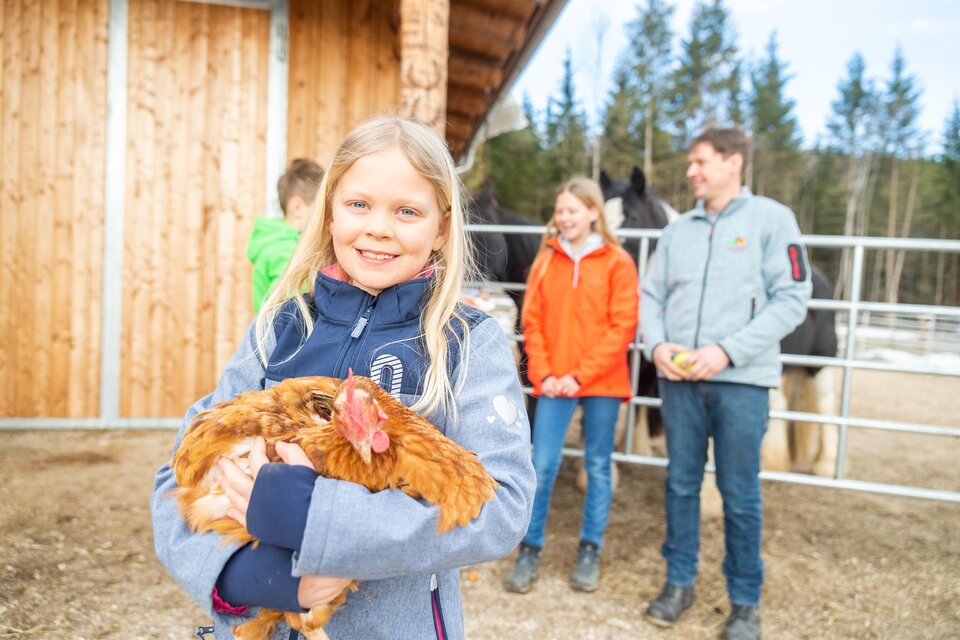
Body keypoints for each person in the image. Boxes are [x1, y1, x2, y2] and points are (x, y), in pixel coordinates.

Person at [151, 116, 536, 640]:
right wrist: (253, 578)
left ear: (442, 228)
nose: (379, 227)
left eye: (407, 211)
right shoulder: (279, 327)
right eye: (359, 204)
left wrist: (321, 518)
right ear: (329, 213)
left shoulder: (467, 342)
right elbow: (182, 473)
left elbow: (503, 504)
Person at [640, 127, 811, 640]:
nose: (691, 171)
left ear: (734, 162)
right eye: (691, 163)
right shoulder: (678, 231)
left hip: (743, 383)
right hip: (680, 382)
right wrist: (658, 346)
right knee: (680, 483)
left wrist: (727, 351)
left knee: (739, 494)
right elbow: (649, 297)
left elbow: (792, 300)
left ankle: (744, 601)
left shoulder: (773, 221)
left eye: (700, 162)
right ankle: (678, 583)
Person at [503, 177, 639, 594]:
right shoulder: (546, 261)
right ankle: (530, 547)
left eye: (572, 211)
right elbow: (534, 321)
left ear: (593, 212)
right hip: (553, 382)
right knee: (541, 465)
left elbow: (622, 327)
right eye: (560, 211)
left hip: (600, 382)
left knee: (597, 466)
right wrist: (544, 373)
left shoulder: (618, 262)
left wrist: (579, 375)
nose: (564, 219)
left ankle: (590, 548)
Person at [247, 158, 324, 312]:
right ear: (297, 207)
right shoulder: (286, 250)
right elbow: (295, 309)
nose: (325, 215)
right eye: (321, 207)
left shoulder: (276, 242)